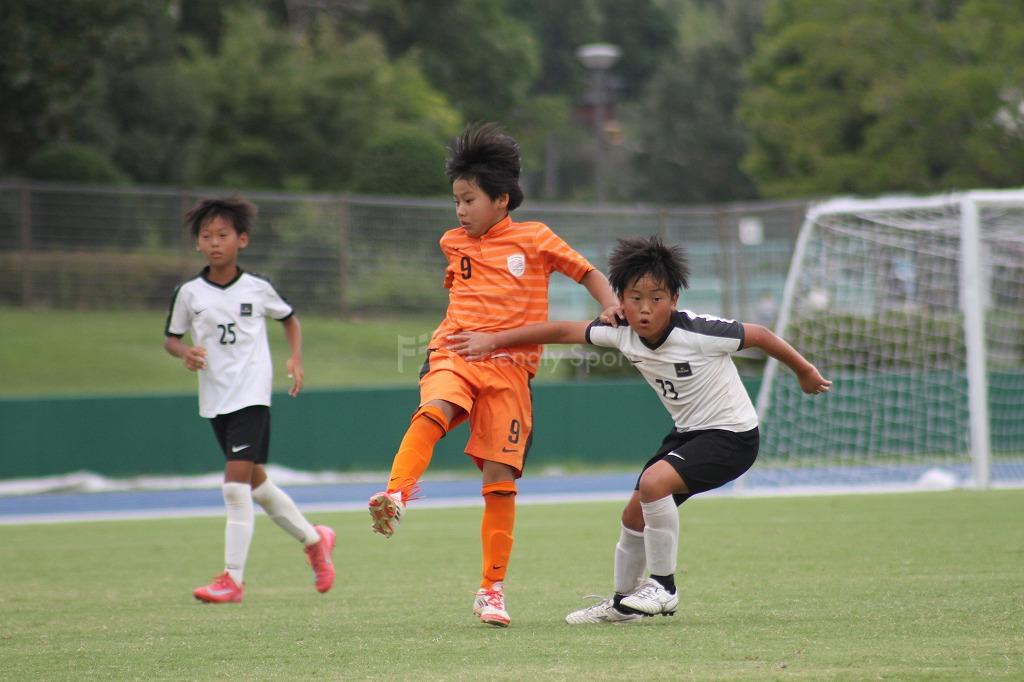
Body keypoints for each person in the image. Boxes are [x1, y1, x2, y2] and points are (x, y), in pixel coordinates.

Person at [447, 235, 831, 624]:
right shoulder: (621, 331)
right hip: (689, 434)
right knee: (634, 516)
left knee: (653, 484)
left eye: (656, 298)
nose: (645, 308)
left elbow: (760, 335)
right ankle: (622, 604)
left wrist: (804, 371)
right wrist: (493, 340)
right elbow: (561, 332)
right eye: (635, 298)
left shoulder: (699, 332)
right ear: (620, 300)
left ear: (674, 300)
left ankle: (664, 588)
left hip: (732, 436)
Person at [366, 123, 621, 627]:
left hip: (511, 372)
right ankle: (395, 494)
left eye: (469, 200)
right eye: (456, 201)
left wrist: (610, 305)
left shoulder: (536, 238)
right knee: (436, 408)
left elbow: (588, 273)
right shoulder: (453, 243)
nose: (460, 211)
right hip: (456, 350)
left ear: (501, 199)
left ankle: (491, 591)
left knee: (499, 481)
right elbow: (462, 293)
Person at [164, 196, 336, 604]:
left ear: (241, 239)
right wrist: (184, 352)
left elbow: (289, 319)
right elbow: (171, 338)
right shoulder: (189, 293)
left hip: (252, 395)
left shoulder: (257, 288)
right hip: (215, 398)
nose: (214, 242)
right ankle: (316, 540)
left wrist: (295, 357)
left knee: (234, 487)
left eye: (223, 235)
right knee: (257, 485)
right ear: (197, 243)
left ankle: (232, 579)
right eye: (206, 236)